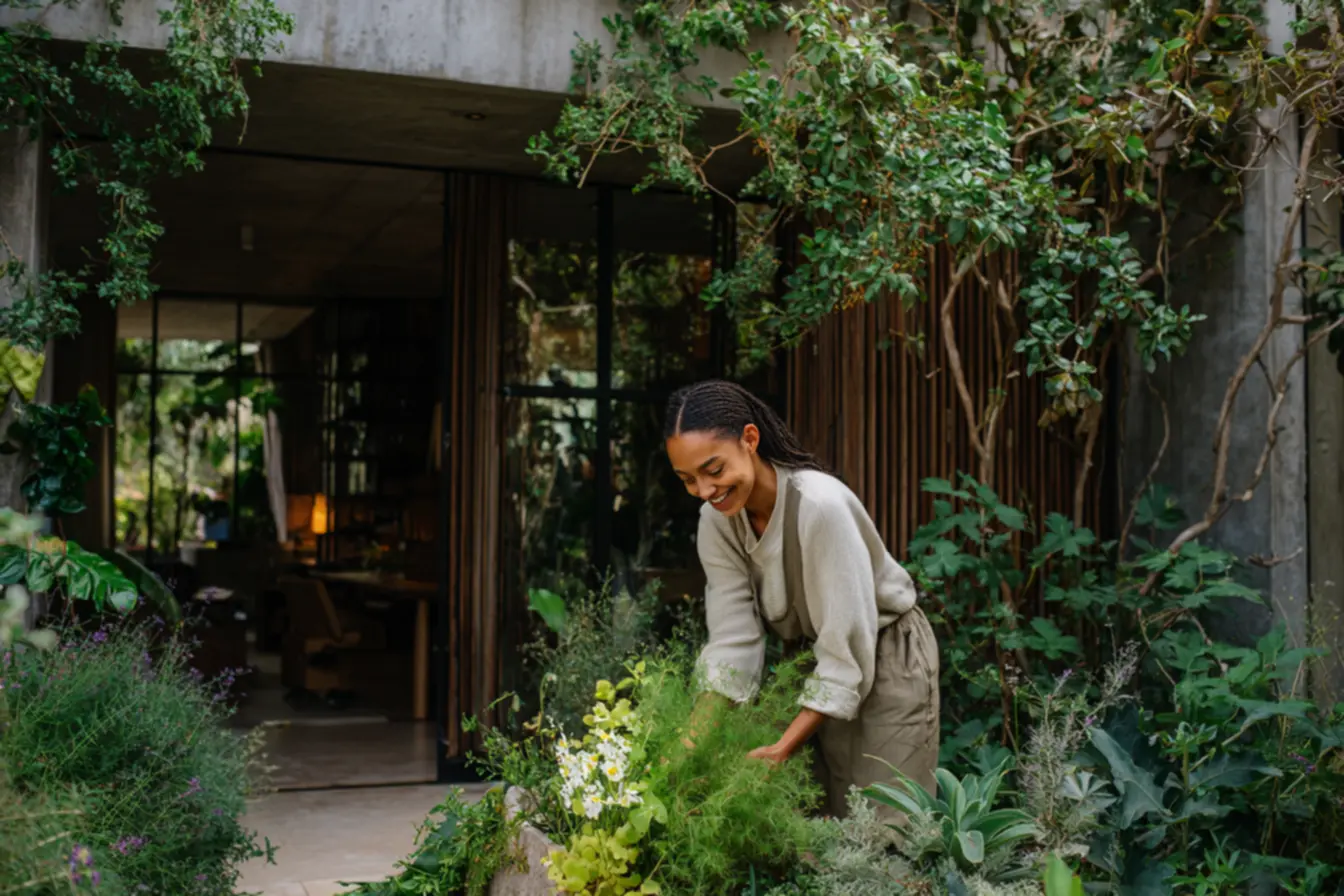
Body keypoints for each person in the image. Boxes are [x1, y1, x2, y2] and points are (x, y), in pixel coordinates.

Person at [664, 379, 939, 818]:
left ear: (750, 440)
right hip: (811, 658)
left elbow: (845, 648)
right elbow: (732, 643)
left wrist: (782, 747)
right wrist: (682, 750)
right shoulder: (716, 524)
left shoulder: (820, 506)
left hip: (886, 654)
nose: (704, 490)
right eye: (687, 479)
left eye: (714, 470)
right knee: (813, 829)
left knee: (887, 828)